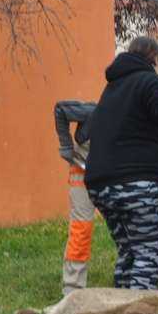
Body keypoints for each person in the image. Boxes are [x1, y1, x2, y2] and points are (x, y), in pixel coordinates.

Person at [84, 36, 158, 291]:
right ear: (154, 59)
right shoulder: (149, 82)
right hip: (137, 183)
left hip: (101, 185)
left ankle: (122, 310)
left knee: (129, 250)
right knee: (148, 250)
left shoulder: (112, 90)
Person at [53, 99, 97, 295]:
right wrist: (65, 145)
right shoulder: (92, 112)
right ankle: (72, 289)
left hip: (109, 178)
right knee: (81, 230)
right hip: (82, 177)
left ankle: (130, 280)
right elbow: (60, 109)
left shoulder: (130, 121)